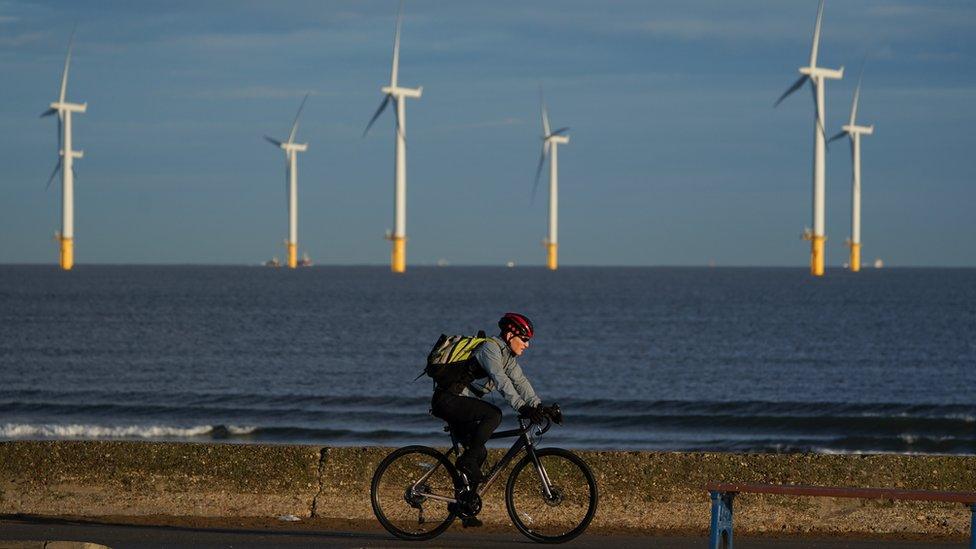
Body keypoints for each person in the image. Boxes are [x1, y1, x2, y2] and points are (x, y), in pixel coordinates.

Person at [430, 312, 547, 491]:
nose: (527, 344)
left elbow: (520, 382)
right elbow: (501, 381)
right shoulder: (489, 349)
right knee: (493, 415)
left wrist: (539, 406)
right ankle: (466, 461)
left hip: (458, 402)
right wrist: (522, 407)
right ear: (509, 335)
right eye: (524, 339)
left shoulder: (507, 356)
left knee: (479, 453)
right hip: (447, 400)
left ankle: (465, 504)